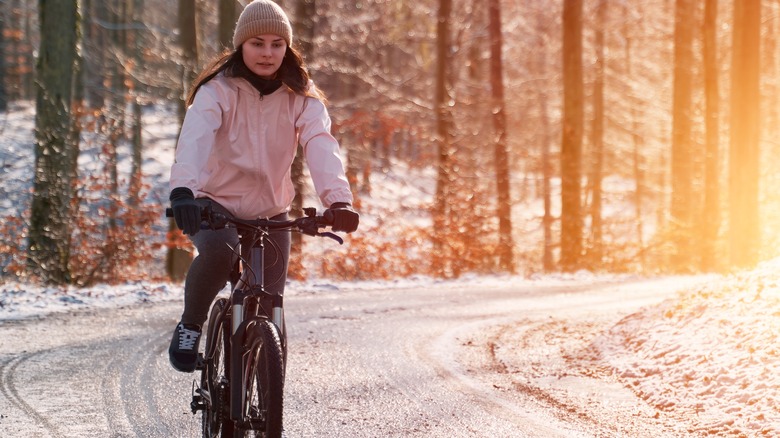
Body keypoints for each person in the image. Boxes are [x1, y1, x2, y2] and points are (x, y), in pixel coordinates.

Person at [167, 0, 359, 373]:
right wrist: (183, 192)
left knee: (272, 302)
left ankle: (263, 391)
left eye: (277, 43)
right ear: (241, 46)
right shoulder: (218, 91)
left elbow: (320, 143)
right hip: (213, 202)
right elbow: (195, 139)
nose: (268, 53)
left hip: (271, 208)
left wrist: (339, 200)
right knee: (220, 253)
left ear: (287, 48)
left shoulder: (302, 96)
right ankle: (191, 324)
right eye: (258, 43)